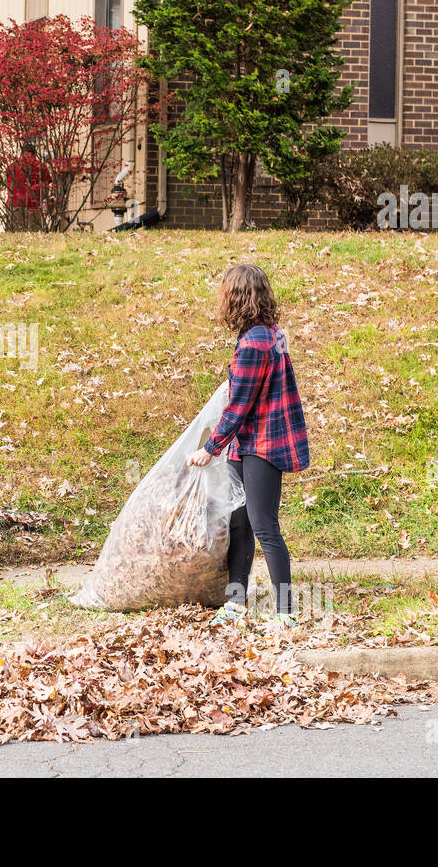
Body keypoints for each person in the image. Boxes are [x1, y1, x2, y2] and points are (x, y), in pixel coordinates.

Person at [187, 264, 310, 630]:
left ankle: (286, 612)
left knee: (264, 524)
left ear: (237, 298)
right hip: (249, 443)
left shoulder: (254, 344)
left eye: (226, 293)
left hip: (263, 445)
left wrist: (210, 447)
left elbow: (239, 406)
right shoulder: (269, 335)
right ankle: (236, 604)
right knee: (241, 523)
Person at [5, 139, 52, 231]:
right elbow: (45, 188)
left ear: (22, 153)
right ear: (34, 153)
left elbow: (8, 186)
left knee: (15, 236)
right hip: (33, 206)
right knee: (33, 237)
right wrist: (41, 201)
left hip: (14, 205)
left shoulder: (11, 167)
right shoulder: (40, 166)